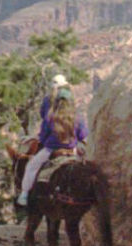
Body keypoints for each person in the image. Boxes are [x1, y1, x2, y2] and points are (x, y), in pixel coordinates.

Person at [17, 77, 87, 207]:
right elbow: (83, 134)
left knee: (31, 166)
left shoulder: (51, 117)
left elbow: (43, 136)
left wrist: (42, 140)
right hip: (72, 151)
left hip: (51, 150)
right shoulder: (77, 117)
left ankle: (24, 194)